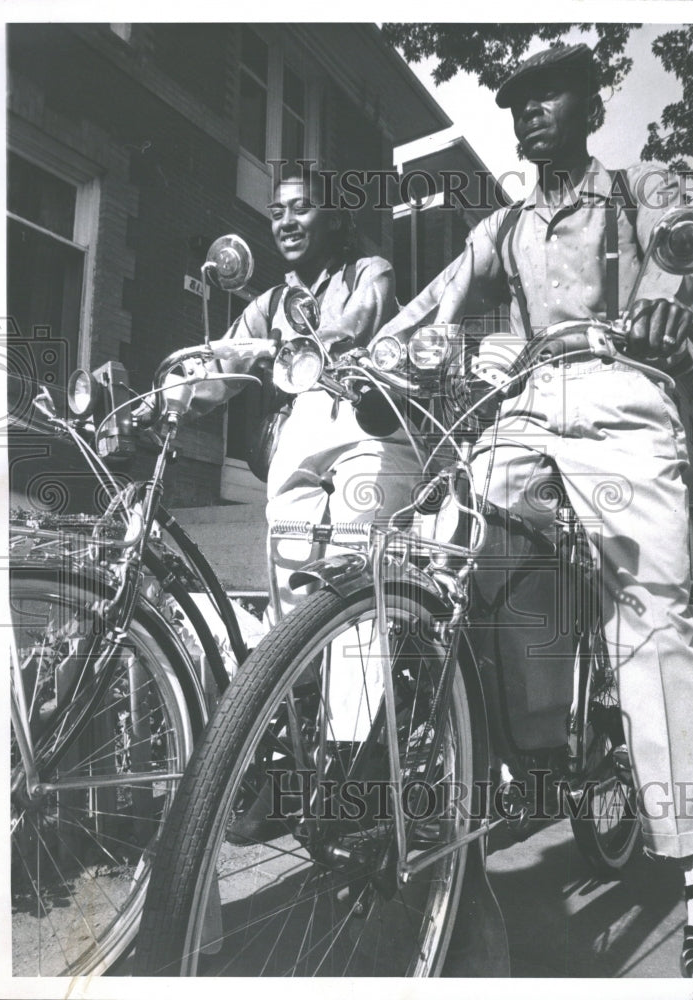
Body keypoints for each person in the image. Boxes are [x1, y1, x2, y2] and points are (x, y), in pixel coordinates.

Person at [371, 44, 693, 978]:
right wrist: (369, 354)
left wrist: (667, 303)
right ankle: (517, 753)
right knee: (459, 550)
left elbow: (680, 240)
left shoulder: (632, 188)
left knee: (652, 623)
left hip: (625, 392)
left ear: (589, 104)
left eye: (549, 95)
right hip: (530, 409)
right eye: (517, 102)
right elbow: (439, 300)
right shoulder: (505, 226)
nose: (530, 112)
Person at [194, 167, 424, 840]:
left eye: (302, 208)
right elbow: (223, 365)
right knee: (292, 588)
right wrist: (169, 397)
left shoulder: (366, 270)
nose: (288, 221)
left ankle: (356, 772)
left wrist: (320, 342)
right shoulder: (269, 301)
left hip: (371, 424)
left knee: (354, 586)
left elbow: (358, 321)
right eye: (277, 211)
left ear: (330, 216)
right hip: (302, 431)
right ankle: (300, 765)